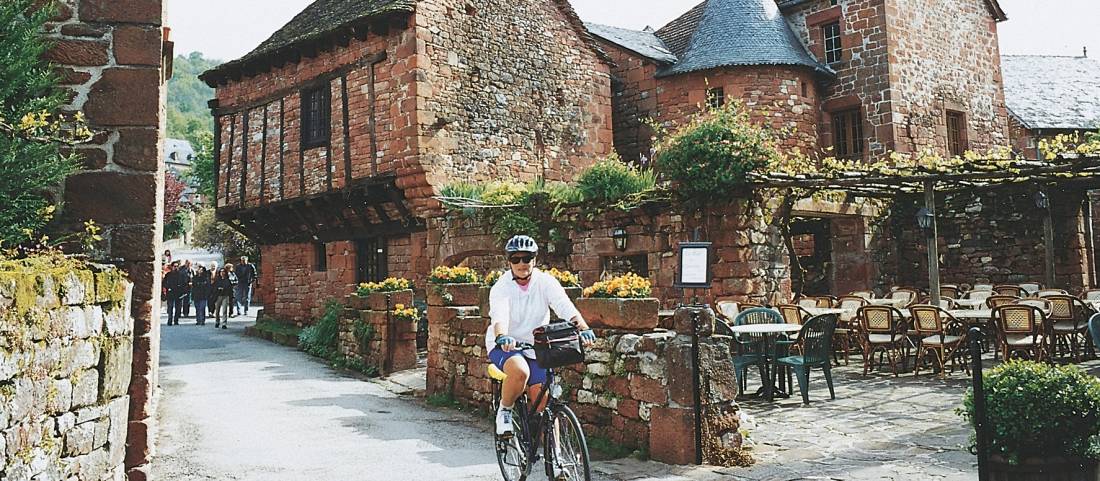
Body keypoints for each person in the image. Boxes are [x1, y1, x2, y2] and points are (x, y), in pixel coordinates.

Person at [486, 235, 596, 437]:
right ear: (509, 261)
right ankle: (505, 411)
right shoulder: (501, 287)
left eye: (526, 258)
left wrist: (583, 327)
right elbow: (499, 314)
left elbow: (564, 306)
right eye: (515, 259)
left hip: (536, 347)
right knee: (520, 372)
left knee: (543, 402)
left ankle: (555, 456)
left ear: (534, 259)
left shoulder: (545, 282)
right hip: (505, 345)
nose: (521, 263)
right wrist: (502, 336)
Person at [163, 261, 185, 326]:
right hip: (170, 293)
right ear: (172, 267)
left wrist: (183, 291)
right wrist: (168, 287)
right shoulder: (168, 275)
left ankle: (176, 320)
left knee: (178, 308)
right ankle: (169, 320)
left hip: (179, 293)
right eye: (174, 266)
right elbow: (164, 283)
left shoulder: (181, 275)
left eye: (177, 266)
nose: (176, 268)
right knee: (170, 307)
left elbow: (184, 283)